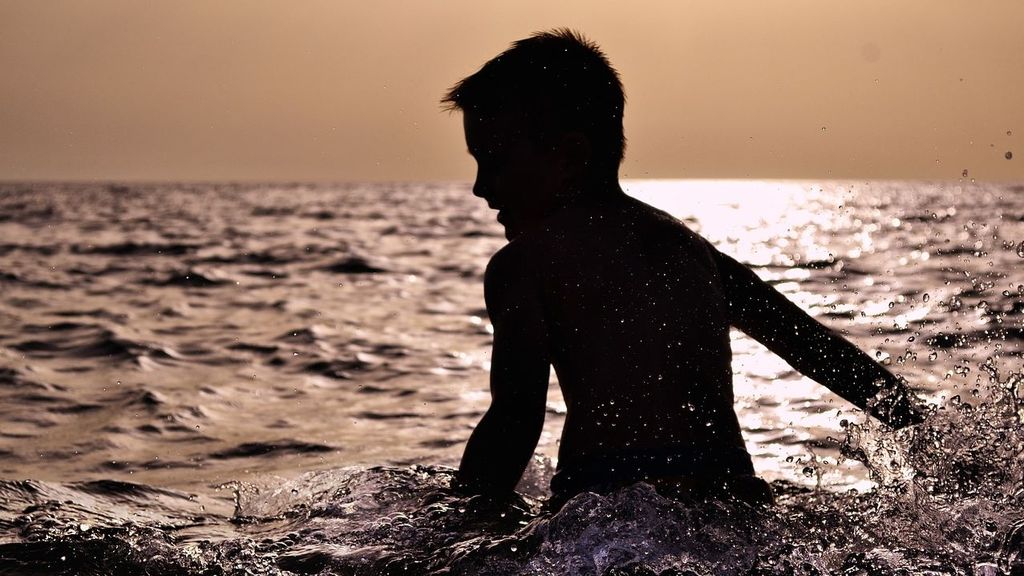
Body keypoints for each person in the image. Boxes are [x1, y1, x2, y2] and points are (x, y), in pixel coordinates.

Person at [441, 29, 926, 511]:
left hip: (608, 504)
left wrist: (457, 523)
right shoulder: (690, 250)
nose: (481, 188)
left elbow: (515, 419)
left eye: (495, 162)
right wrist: (920, 431)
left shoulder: (525, 266)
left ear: (569, 157)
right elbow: (809, 344)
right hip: (735, 503)